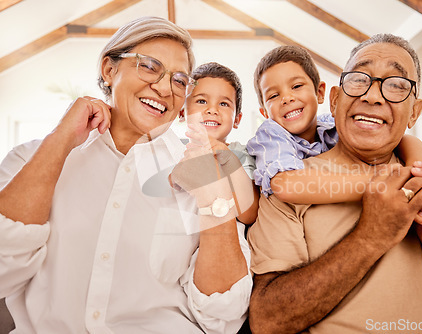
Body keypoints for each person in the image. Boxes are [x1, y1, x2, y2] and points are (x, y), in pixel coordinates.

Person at [0, 16, 252, 333]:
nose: (163, 88)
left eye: (178, 80)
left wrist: (214, 196)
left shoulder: (202, 169)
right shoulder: (34, 157)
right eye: (149, 66)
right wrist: (61, 139)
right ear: (109, 69)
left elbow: (223, 314)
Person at [247, 34, 422, 333]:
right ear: (336, 99)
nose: (373, 96)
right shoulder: (290, 185)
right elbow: (266, 321)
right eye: (359, 80)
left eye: (395, 84)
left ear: (414, 113)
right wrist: (370, 237)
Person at [247, 45, 422, 223]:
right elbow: (285, 185)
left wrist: (420, 171)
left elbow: (402, 139)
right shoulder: (271, 135)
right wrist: (381, 182)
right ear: (264, 113)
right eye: (273, 96)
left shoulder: (332, 123)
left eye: (296, 86)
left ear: (321, 93)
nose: (287, 98)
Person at [178, 62, 259, 225]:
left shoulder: (241, 155)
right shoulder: (172, 148)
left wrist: (229, 160)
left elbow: (249, 215)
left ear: (237, 119)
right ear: (181, 112)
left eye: (223, 104)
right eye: (201, 101)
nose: (212, 110)